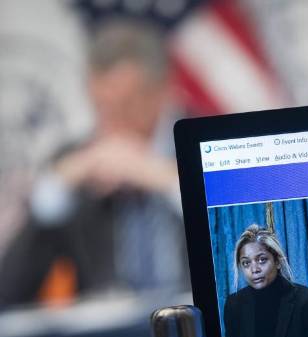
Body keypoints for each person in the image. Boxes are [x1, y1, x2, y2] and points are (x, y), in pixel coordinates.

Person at [0, 21, 188, 305]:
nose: (111, 123)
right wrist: (56, 189)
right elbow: (10, 290)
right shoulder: (76, 162)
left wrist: (163, 177)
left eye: (125, 105)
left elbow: (243, 237)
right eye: (102, 107)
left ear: (161, 93)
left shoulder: (204, 144)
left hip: (198, 326)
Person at [224, 225, 308, 337]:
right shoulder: (234, 303)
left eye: (262, 260)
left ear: (278, 261)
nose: (254, 269)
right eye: (246, 263)